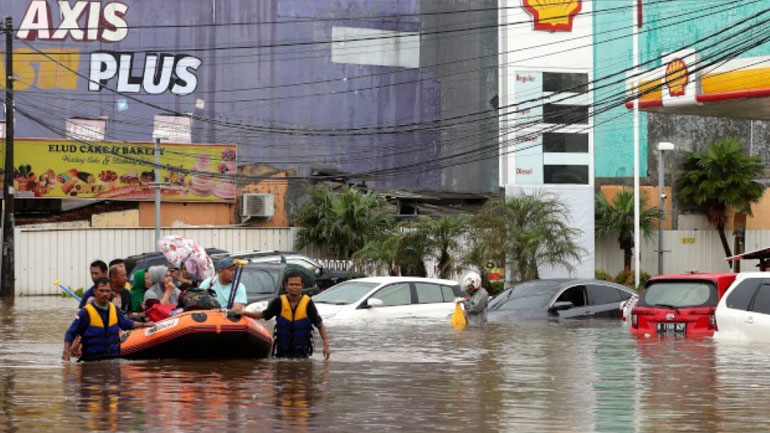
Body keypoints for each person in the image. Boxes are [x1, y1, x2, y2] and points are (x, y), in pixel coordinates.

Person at [240, 265, 330, 360]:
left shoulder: (308, 303)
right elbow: (263, 315)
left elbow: (319, 324)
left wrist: (326, 344)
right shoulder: (278, 302)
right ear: (286, 286)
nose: (294, 287)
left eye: (297, 284)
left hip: (303, 355)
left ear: (302, 286)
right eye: (291, 284)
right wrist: (245, 313)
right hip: (282, 355)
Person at [62, 278, 154, 362]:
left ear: (111, 293)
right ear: (95, 291)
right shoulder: (85, 312)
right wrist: (66, 352)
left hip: (113, 360)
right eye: (101, 291)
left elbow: (127, 324)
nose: (104, 294)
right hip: (91, 362)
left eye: (107, 291)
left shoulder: (115, 309)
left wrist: (145, 325)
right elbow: (71, 333)